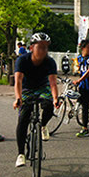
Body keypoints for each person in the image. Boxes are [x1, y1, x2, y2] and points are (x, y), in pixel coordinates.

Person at [13, 32, 61, 167]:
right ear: (31, 48)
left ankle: (43, 125)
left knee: (48, 106)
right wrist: (18, 98)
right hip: (27, 89)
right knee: (23, 118)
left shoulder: (50, 62)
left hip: (43, 87)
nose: (43, 50)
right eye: (40, 47)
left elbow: (52, 83)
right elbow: (18, 81)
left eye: (46, 47)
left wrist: (56, 98)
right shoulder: (22, 60)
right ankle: (20, 154)